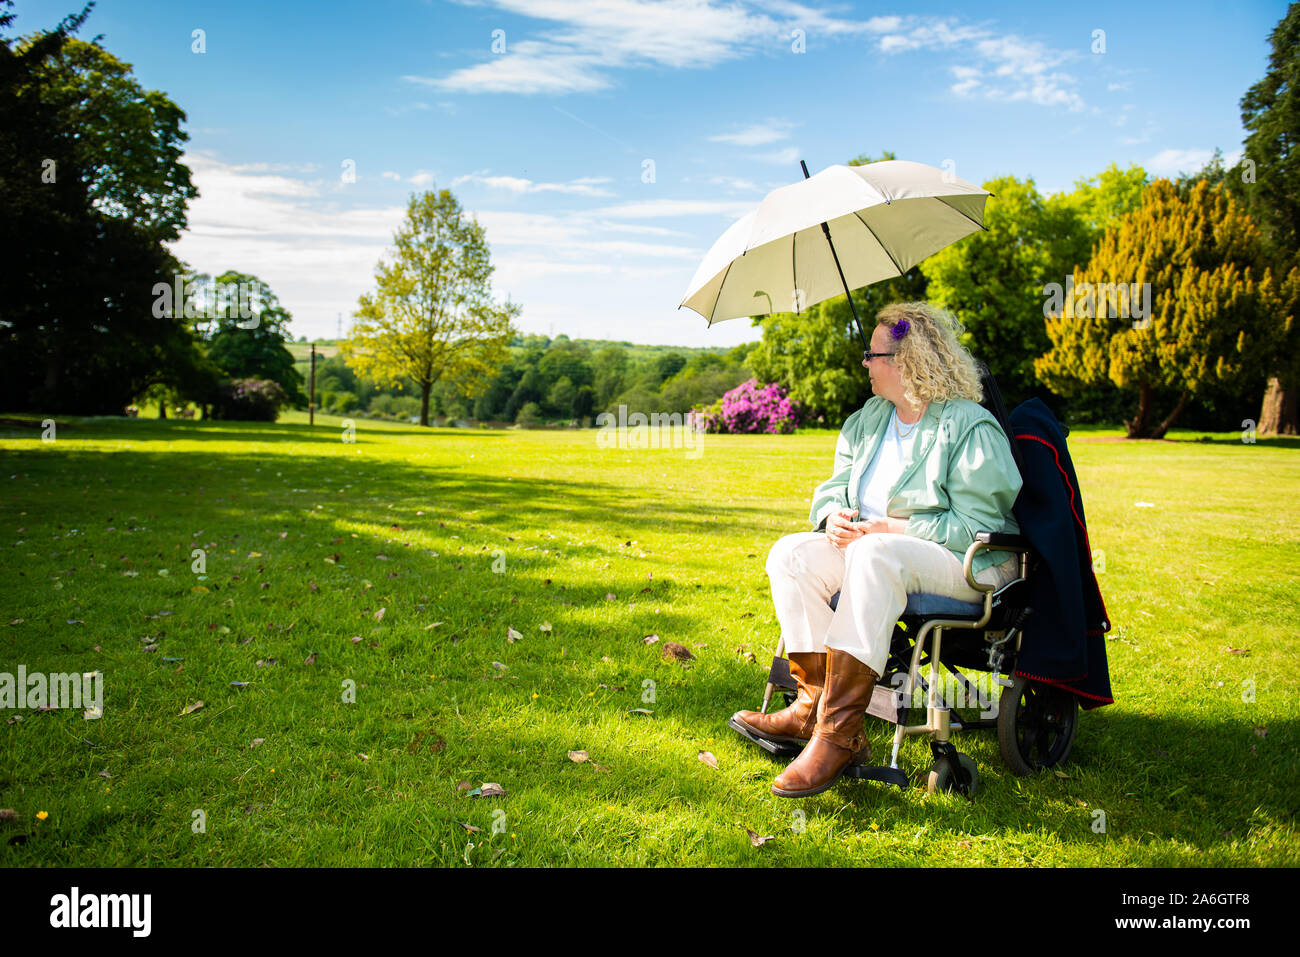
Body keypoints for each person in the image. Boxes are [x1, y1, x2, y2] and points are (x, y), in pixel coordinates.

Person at [731, 301, 1023, 798]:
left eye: (874, 353)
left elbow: (979, 524)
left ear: (908, 360)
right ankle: (813, 708)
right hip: (878, 557)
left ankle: (838, 733)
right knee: (791, 554)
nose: (864, 362)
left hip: (969, 566)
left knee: (874, 553)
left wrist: (891, 528)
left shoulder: (970, 426)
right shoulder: (869, 419)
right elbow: (834, 487)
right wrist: (833, 517)